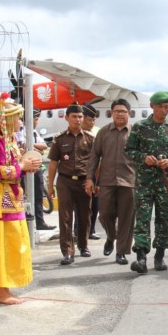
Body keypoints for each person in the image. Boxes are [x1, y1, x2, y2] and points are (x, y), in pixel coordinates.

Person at [0, 99, 41, 304]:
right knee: (3, 242)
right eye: (18, 118)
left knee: (13, 242)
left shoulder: (10, 140)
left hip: (12, 196)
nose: (20, 122)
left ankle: (5, 286)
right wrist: (22, 166)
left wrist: (26, 166)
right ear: (8, 120)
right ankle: (0, 289)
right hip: (1, 198)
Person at [125, 91, 168, 274]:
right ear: (152, 106)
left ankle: (160, 255)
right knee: (142, 220)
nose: (164, 110)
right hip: (144, 183)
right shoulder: (140, 127)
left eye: (167, 106)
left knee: (164, 219)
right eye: (160, 106)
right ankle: (141, 258)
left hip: (165, 183)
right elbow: (129, 151)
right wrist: (144, 157)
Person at [85, 99, 136, 266]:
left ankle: (121, 252)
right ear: (111, 113)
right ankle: (111, 237)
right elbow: (94, 156)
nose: (120, 114)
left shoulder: (135, 133)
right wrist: (90, 178)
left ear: (129, 113)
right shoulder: (104, 132)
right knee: (105, 214)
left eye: (123, 111)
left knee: (126, 219)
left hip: (129, 181)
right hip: (106, 181)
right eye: (116, 111)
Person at [47, 102, 95, 265]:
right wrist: (50, 185)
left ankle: (83, 245)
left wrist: (94, 181)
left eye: (80, 117)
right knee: (65, 217)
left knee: (84, 215)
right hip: (65, 181)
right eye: (74, 117)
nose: (77, 120)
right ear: (67, 118)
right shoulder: (59, 139)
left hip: (84, 181)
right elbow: (53, 163)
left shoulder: (90, 138)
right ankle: (67, 251)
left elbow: (96, 162)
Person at [31, 109, 55, 231]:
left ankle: (40, 222)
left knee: (39, 195)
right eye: (35, 119)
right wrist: (35, 148)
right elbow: (23, 146)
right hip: (28, 168)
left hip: (37, 167)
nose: (36, 122)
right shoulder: (21, 131)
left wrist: (32, 146)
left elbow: (44, 146)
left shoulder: (34, 133)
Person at [81, 103, 100, 240]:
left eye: (94, 120)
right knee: (80, 207)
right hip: (79, 175)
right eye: (89, 119)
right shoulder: (73, 134)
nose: (92, 123)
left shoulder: (96, 134)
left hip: (94, 175)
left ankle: (91, 229)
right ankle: (78, 230)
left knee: (94, 205)